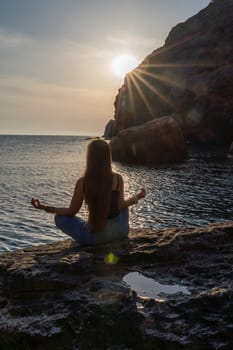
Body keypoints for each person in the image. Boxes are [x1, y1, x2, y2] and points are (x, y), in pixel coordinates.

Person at [31, 139, 146, 245]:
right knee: (123, 207)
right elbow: (121, 205)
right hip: (120, 232)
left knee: (59, 218)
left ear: (90, 157)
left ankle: (90, 228)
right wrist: (137, 197)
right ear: (107, 157)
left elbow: (71, 212)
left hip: (93, 239)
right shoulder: (118, 178)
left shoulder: (83, 182)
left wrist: (45, 207)